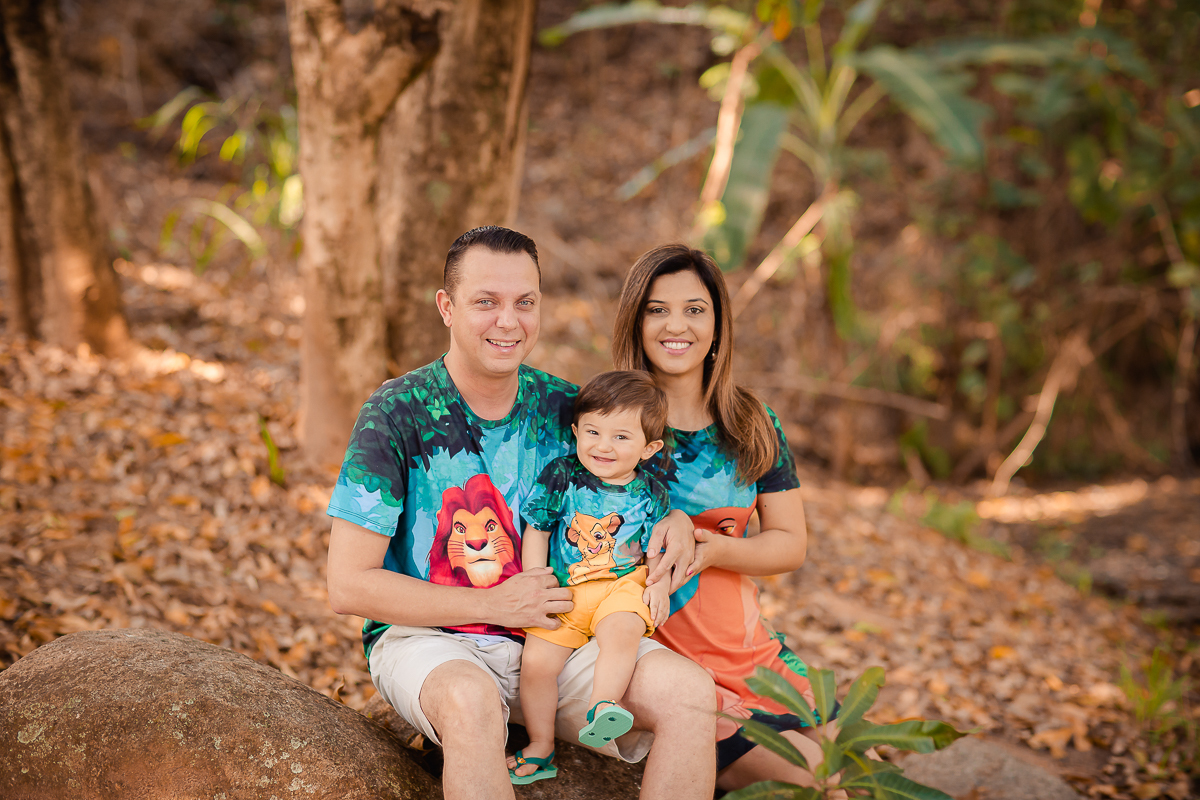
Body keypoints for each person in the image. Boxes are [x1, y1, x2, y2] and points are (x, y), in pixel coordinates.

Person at [324, 226, 717, 800]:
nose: (508, 322)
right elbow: (347, 585)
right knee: (471, 702)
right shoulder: (396, 413)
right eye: (486, 301)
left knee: (690, 693)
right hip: (436, 640)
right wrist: (489, 603)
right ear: (447, 307)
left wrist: (677, 522)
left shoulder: (572, 409)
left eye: (524, 302)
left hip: (564, 633)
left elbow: (647, 478)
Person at [612, 242, 830, 793]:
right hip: (678, 666)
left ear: (717, 324)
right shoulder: (610, 424)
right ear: (636, 321)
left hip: (755, 655)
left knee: (859, 771)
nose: (674, 325)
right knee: (819, 782)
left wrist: (714, 549)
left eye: (694, 309)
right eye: (657, 309)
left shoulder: (752, 422)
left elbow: (788, 543)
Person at [513, 370, 672, 783]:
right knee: (535, 666)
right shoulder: (562, 474)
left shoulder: (651, 492)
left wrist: (659, 585)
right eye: (593, 431)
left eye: (621, 437)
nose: (603, 446)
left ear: (649, 447)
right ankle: (541, 745)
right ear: (576, 431)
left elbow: (656, 547)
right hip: (567, 591)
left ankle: (604, 706)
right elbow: (539, 528)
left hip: (623, 586)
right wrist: (535, 578)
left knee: (621, 632)